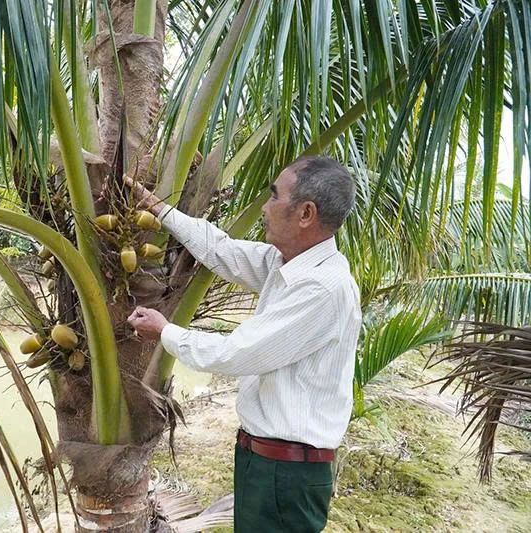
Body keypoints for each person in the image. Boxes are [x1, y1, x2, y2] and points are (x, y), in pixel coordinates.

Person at [125, 156, 361, 532]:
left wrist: (165, 331)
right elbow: (223, 251)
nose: (265, 207)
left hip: (287, 471)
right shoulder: (287, 263)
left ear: (306, 213)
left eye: (274, 196)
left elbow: (237, 353)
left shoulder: (322, 288)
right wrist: (160, 209)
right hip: (264, 460)